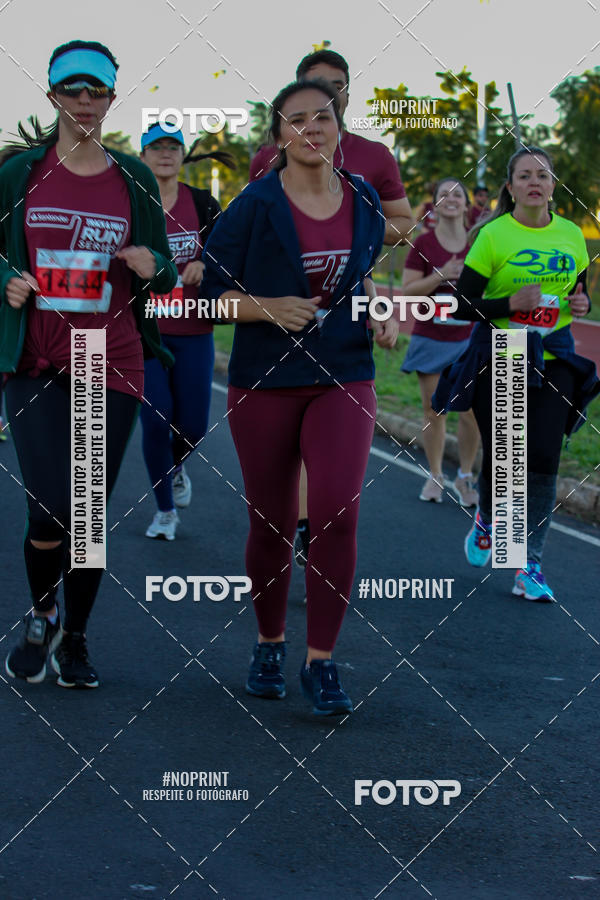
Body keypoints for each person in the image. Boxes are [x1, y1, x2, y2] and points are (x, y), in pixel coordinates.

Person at [202, 79, 396, 715]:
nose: (312, 129)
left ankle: (322, 661)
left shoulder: (364, 197)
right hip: (265, 379)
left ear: (340, 127)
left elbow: (361, 274)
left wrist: (383, 307)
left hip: (345, 371)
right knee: (272, 521)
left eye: (324, 117)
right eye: (297, 120)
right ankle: (268, 642)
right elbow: (198, 298)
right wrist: (261, 308)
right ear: (278, 135)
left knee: (337, 511)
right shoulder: (252, 206)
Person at [1, 40, 177, 686]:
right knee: (48, 508)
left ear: (109, 99)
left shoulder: (131, 176)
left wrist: (149, 265)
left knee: (86, 517)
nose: (83, 100)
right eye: (71, 89)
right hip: (37, 358)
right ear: (51, 95)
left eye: (94, 91)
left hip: (109, 356)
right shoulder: (21, 174)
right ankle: (42, 610)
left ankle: (74, 639)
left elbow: (165, 267)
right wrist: (7, 279)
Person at [250, 48, 414, 569]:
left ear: (347, 93)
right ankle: (300, 525)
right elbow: (254, 230)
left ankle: (320, 522)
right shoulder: (267, 156)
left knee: (333, 427)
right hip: (284, 311)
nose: (327, 92)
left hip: (347, 306)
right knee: (290, 434)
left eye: (336, 85)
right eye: (315, 84)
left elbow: (404, 224)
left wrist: (348, 227)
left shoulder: (374, 156)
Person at [432, 147, 598, 601]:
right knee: (507, 457)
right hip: (502, 348)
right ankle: (488, 514)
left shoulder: (570, 234)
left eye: (542, 175)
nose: (534, 182)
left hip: (556, 352)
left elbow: (579, 290)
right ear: (511, 187)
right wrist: (510, 306)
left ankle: (528, 565)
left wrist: (580, 303)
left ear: (552, 185)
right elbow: (462, 305)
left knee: (543, 457)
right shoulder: (493, 235)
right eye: (524, 175)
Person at [139, 123, 233, 540]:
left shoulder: (202, 203)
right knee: (157, 422)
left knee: (192, 426)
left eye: (172, 147)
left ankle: (176, 467)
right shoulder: (132, 205)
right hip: (146, 334)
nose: (165, 154)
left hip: (194, 329)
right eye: (156, 147)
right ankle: (164, 511)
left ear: (182, 155)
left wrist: (206, 264)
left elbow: (230, 252)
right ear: (142, 156)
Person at [401, 177, 480, 505]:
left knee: (472, 412)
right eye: (444, 194)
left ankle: (465, 477)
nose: (451, 199)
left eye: (458, 194)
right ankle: (435, 475)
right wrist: (441, 274)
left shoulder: (479, 241)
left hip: (469, 336)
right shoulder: (424, 244)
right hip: (432, 336)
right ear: (435, 204)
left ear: (466, 203)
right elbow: (407, 290)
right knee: (434, 410)